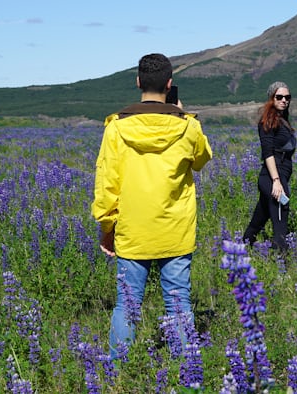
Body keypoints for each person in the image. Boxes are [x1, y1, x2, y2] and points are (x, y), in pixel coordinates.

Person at [91, 53, 212, 356]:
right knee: (178, 302)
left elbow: (107, 184)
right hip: (175, 230)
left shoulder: (116, 128)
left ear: (138, 82)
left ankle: (119, 374)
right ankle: (188, 376)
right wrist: (182, 115)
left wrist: (107, 227)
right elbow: (202, 160)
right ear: (170, 84)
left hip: (132, 231)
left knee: (127, 304)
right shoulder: (188, 127)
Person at [243, 81, 296, 251]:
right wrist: (276, 181)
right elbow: (268, 153)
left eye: (287, 97)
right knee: (281, 223)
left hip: (278, 176)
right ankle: (283, 270)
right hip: (273, 178)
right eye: (279, 97)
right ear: (271, 98)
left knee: (258, 220)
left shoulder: (282, 120)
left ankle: (239, 252)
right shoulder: (267, 121)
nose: (284, 100)